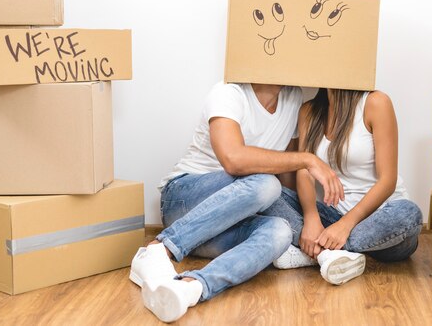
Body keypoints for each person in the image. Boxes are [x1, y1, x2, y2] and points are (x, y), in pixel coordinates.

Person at [129, 82, 344, 323]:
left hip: (221, 224)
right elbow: (233, 159)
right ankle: (160, 248)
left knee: (280, 231)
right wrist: (308, 160)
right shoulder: (228, 93)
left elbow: (285, 172)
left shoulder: (293, 98)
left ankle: (192, 288)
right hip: (184, 201)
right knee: (265, 184)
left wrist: (304, 223)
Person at [262, 88, 423, 285]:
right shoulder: (309, 110)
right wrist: (312, 217)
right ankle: (332, 253)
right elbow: (305, 171)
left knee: (409, 213)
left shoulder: (375, 103)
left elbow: (387, 181)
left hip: (382, 223)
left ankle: (317, 253)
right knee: (266, 189)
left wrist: (345, 225)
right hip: (331, 219)